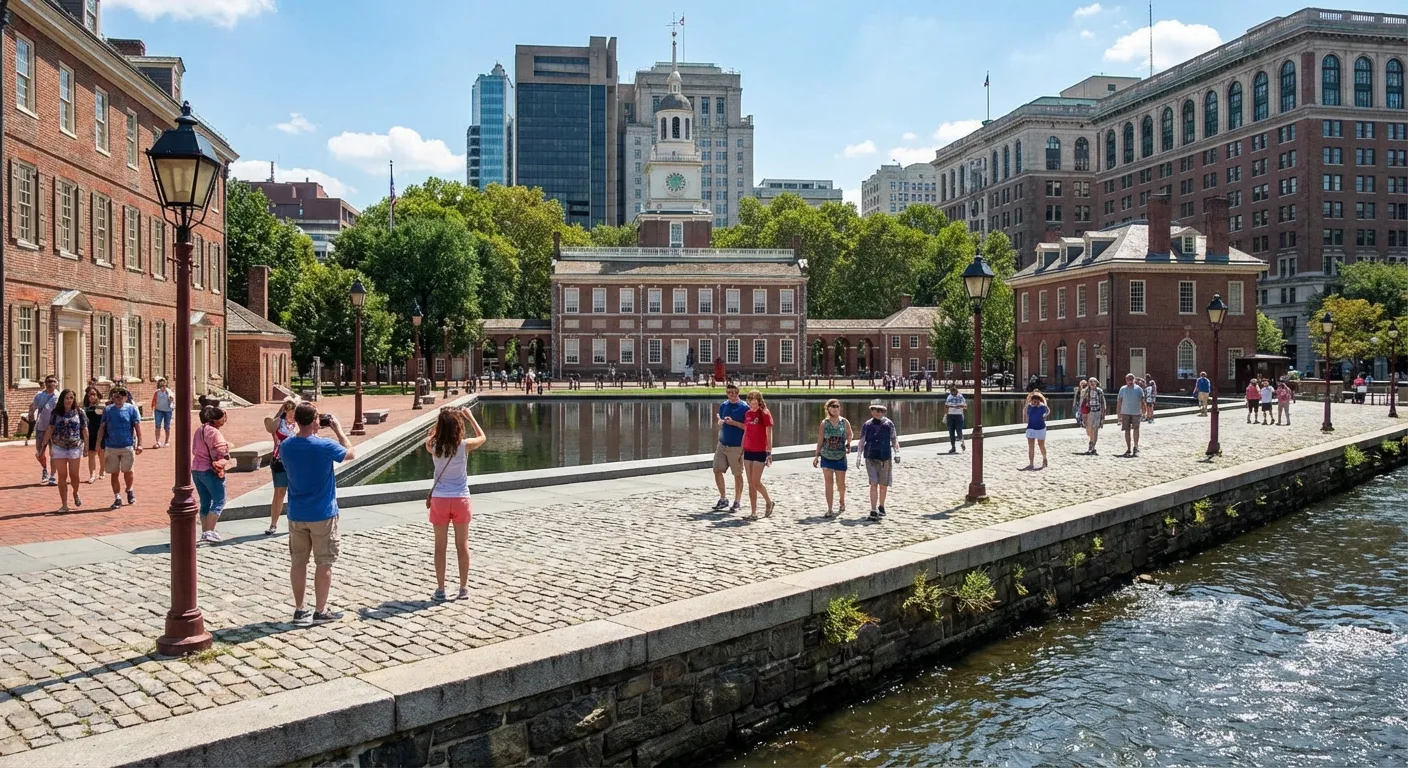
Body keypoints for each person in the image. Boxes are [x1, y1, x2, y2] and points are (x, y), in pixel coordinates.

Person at [279, 403, 355, 625]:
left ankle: (300, 609)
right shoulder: (325, 446)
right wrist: (339, 430)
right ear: (314, 421)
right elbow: (350, 453)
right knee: (324, 563)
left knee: (298, 562)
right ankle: (320, 611)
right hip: (322, 513)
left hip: (296, 513)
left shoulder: (286, 446)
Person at [425, 406, 487, 602]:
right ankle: (463, 588)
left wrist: (441, 420)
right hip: (461, 498)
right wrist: (469, 417)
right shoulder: (464, 445)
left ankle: (441, 589)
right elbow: (482, 437)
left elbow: (430, 436)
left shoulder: (433, 446)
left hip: (440, 500)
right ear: (458, 426)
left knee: (440, 547)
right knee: (463, 545)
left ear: (440, 426)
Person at [94, 387, 142, 509]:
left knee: (128, 471)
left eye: (121, 395)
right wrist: (98, 443)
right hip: (111, 446)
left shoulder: (131, 409)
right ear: (112, 397)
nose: (119, 397)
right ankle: (117, 497)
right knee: (114, 473)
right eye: (116, 395)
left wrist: (140, 443)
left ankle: (129, 489)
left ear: (126, 397)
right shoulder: (108, 410)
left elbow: (137, 427)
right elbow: (102, 427)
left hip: (127, 445)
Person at [40, 389, 86, 513]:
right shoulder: (56, 413)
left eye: (71, 398)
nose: (69, 400)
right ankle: (64, 504)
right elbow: (50, 428)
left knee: (74, 475)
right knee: (62, 476)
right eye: (66, 398)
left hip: (75, 446)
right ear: (62, 399)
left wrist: (87, 446)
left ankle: (75, 493)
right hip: (59, 447)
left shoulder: (79, 412)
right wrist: (43, 445)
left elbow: (84, 430)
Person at [192, 406, 231, 543]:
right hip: (210, 470)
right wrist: (225, 457)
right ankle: (209, 531)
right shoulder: (214, 432)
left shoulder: (199, 430)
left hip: (196, 469)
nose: (225, 420)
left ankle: (205, 532)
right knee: (219, 500)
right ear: (216, 419)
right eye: (223, 418)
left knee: (205, 501)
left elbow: (194, 450)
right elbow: (220, 452)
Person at [712, 384, 750, 512]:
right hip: (722, 444)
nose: (732, 395)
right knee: (717, 469)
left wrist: (733, 423)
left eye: (734, 393)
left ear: (738, 392)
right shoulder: (724, 405)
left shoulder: (744, 408)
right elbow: (722, 421)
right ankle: (723, 498)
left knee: (737, 474)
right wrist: (721, 422)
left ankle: (737, 501)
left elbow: (748, 427)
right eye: (729, 393)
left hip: (737, 446)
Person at [264, 398, 300, 535]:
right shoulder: (279, 422)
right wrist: (280, 414)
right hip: (279, 460)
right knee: (279, 492)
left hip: (296, 462)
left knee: (295, 492)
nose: (292, 414)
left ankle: (295, 522)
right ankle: (273, 524)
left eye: (294, 411)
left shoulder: (298, 424)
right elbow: (269, 428)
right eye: (290, 410)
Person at [859, 401, 899, 522]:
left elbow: (894, 438)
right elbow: (862, 440)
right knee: (873, 483)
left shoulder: (888, 424)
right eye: (875, 410)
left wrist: (897, 452)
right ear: (871, 411)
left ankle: (881, 505)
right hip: (871, 456)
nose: (878, 413)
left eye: (880, 411)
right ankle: (873, 509)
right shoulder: (867, 425)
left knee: (883, 485)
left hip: (884, 457)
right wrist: (859, 455)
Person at [812, 399, 853, 518]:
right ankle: (829, 509)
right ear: (828, 409)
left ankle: (842, 500)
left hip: (840, 456)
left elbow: (850, 434)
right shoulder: (824, 423)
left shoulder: (844, 422)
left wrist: (848, 443)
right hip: (826, 456)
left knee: (841, 484)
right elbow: (820, 440)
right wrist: (816, 456)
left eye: (837, 406)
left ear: (839, 408)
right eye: (832, 406)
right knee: (828, 483)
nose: (835, 408)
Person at [740, 390, 775, 520]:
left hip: (760, 451)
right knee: (750, 483)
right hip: (748, 450)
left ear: (759, 401)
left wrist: (769, 452)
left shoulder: (764, 414)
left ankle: (768, 501)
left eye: (755, 401)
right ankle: (753, 512)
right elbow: (746, 432)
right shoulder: (748, 413)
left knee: (756, 482)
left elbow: (769, 433)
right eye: (751, 400)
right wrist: (742, 448)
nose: (753, 403)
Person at [27, 376, 60, 486]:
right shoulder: (39, 395)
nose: (51, 384)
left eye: (53, 381)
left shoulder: (59, 396)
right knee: (40, 453)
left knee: (54, 452)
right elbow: (32, 407)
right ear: (45, 383)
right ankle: (44, 468)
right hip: (41, 427)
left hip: (54, 428)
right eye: (49, 381)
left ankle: (52, 476)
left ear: (57, 383)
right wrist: (31, 418)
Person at [1116, 374, 1144, 457]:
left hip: (1136, 413)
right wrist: (1118, 413)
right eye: (1128, 379)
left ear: (1134, 380)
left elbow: (1142, 401)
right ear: (1126, 380)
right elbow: (1119, 401)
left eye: (1131, 379)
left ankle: (1135, 446)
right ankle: (1128, 448)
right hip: (1125, 412)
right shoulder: (1123, 389)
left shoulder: (1138, 389)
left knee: (1136, 429)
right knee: (1126, 430)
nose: (1130, 381)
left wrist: (1144, 410)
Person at [82, 386, 105, 484]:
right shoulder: (86, 408)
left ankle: (102, 470)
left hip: (100, 432)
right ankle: (92, 474)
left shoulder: (102, 407)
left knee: (101, 453)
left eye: (93, 394)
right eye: (89, 395)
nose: (91, 397)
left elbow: (103, 421)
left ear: (97, 395)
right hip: (90, 432)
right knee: (91, 453)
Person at [1024, 390, 1050, 470]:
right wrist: (1027, 420)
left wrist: (1045, 415)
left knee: (1041, 445)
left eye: (1037, 399)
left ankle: (1044, 458)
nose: (1035, 401)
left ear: (1039, 400)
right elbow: (1026, 413)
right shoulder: (1028, 406)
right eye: (1034, 399)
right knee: (1031, 446)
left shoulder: (1042, 406)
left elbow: (1048, 411)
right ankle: (1031, 463)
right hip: (1031, 427)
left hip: (1040, 428)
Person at [150, 377, 175, 448]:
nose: (164, 387)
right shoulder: (157, 392)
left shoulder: (169, 392)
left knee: (167, 426)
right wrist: (153, 407)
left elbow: (172, 399)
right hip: (158, 410)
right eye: (162, 385)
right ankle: (157, 441)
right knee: (157, 425)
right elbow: (154, 400)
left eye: (165, 385)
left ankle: (166, 441)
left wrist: (171, 399)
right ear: (159, 386)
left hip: (167, 411)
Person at [1084, 377, 1105, 455]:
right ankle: (1091, 441)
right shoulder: (1086, 391)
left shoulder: (1099, 391)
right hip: (1089, 412)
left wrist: (1103, 413)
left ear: (1096, 383)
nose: (1092, 383)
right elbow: (1082, 402)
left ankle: (1093, 446)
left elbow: (1103, 402)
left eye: (1094, 382)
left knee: (1095, 429)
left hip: (1097, 412)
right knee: (1089, 429)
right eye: (1090, 382)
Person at [944, 384, 967, 453]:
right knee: (951, 432)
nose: (952, 392)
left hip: (958, 416)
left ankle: (962, 443)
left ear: (956, 390)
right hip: (950, 416)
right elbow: (945, 406)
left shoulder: (960, 396)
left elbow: (965, 406)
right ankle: (953, 447)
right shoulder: (949, 396)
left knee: (959, 430)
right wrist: (946, 414)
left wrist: (959, 406)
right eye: (951, 391)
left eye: (953, 390)